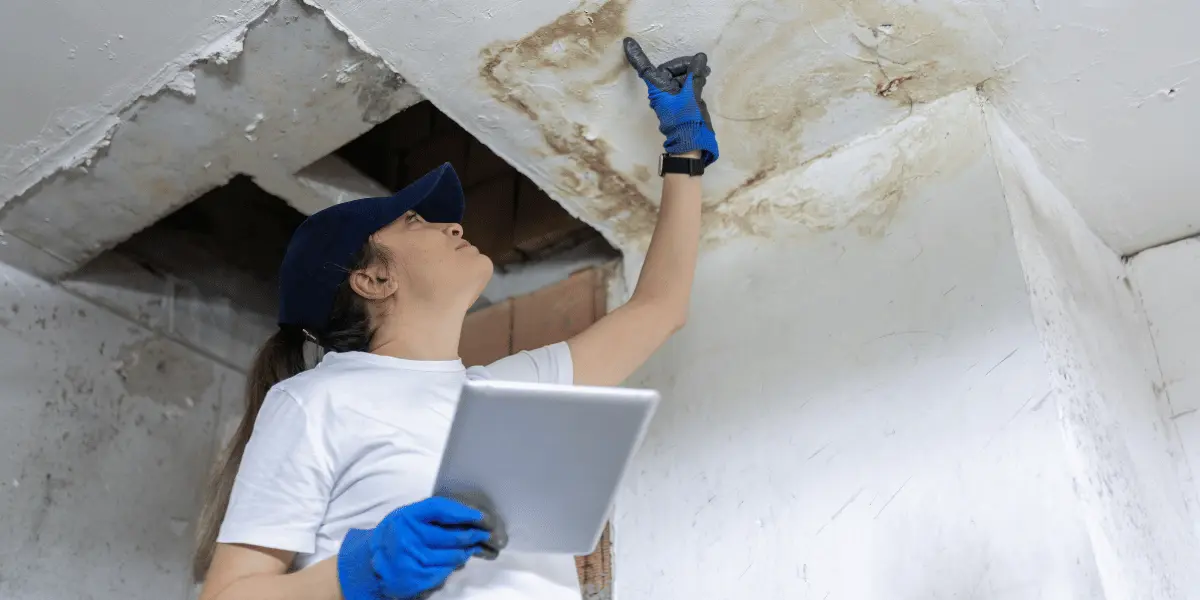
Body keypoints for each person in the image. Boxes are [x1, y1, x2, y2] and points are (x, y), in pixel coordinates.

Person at [193, 37, 719, 600]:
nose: (454, 227)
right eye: (416, 219)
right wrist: (364, 567)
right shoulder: (315, 399)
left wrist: (683, 151)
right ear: (373, 280)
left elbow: (659, 310)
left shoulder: (505, 396)